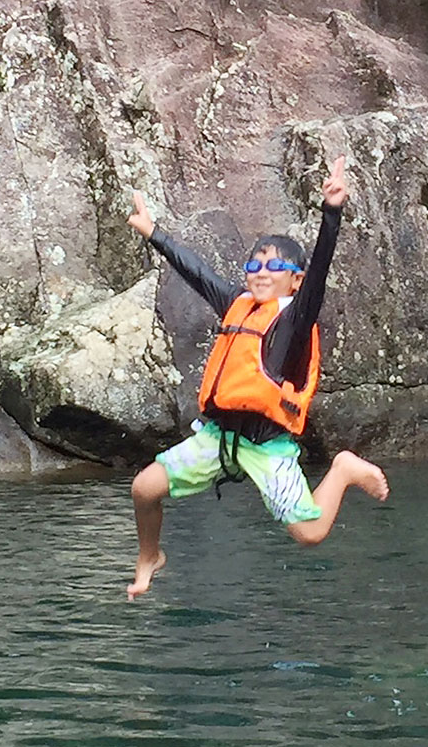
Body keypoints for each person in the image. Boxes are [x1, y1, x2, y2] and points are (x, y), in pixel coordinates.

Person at [124, 156, 390, 599]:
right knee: (144, 488)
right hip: (217, 438)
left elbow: (320, 276)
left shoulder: (295, 321)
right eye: (255, 266)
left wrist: (331, 214)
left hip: (267, 447)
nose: (262, 273)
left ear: (294, 280)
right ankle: (150, 555)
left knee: (309, 534)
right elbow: (197, 272)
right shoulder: (237, 304)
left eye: (275, 268)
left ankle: (342, 470)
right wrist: (155, 234)